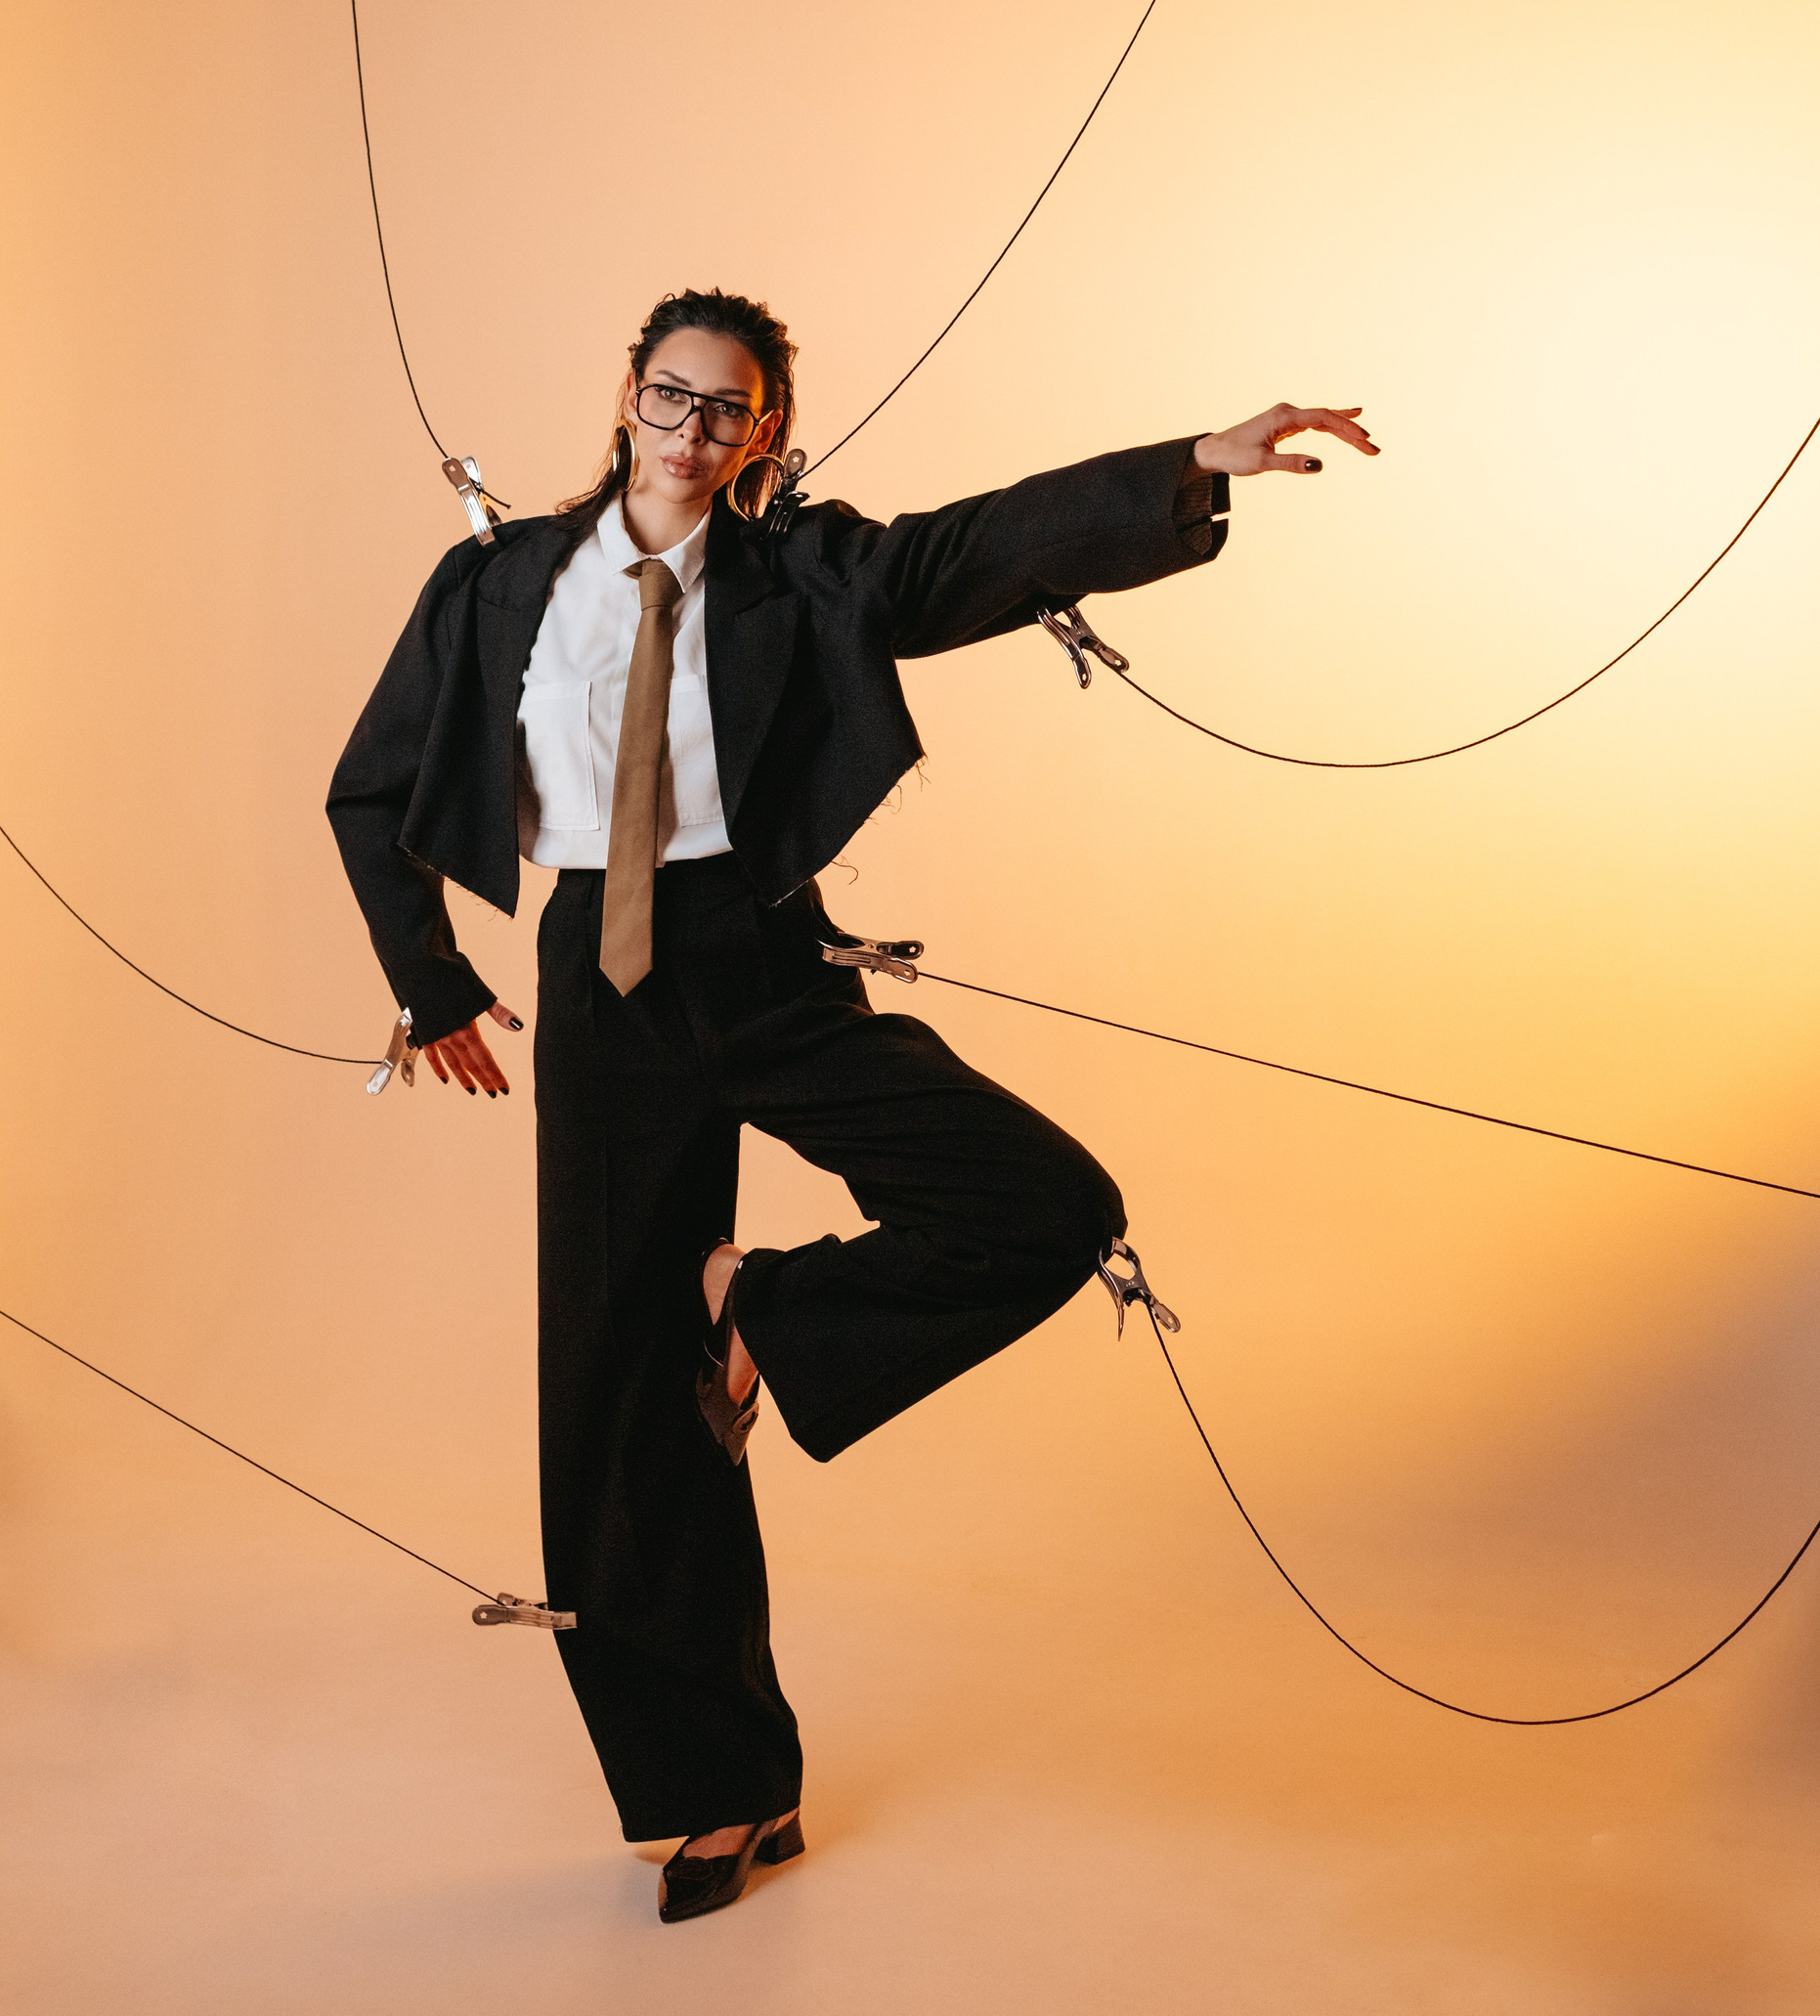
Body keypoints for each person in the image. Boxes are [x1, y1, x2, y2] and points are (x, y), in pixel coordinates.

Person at [327, 287, 1375, 1922]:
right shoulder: (499, 583)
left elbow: (971, 550)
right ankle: (718, 1794)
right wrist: (434, 981)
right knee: (619, 1406)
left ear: (762, 431)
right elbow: (373, 785)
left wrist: (1187, 465)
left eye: (727, 411)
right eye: (671, 397)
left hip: (761, 956)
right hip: (598, 988)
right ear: (627, 395)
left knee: (1045, 1205)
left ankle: (763, 1308)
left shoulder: (802, 572)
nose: (692, 433)